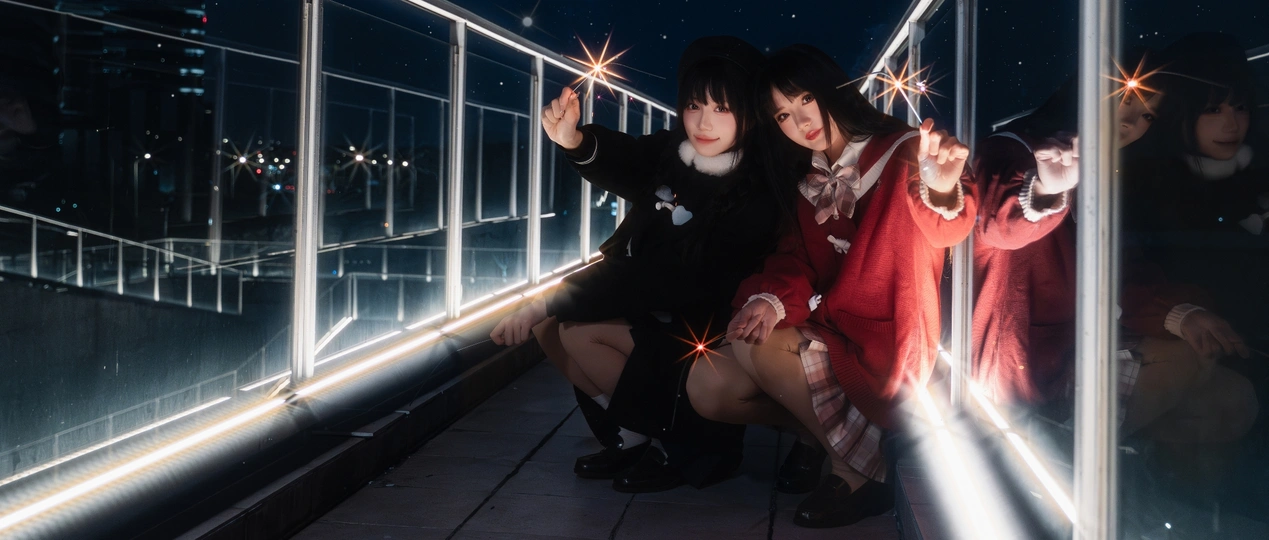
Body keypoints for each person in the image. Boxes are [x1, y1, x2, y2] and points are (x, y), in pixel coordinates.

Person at [687, 44, 975, 528]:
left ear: (833, 88)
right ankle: (842, 443)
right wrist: (771, 300)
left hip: (890, 337)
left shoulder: (906, 150)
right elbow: (795, 257)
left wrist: (943, 188)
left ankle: (856, 474)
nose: (800, 121)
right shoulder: (808, 177)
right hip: (833, 326)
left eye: (805, 99)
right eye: (782, 114)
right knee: (708, 384)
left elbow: (949, 229)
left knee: (759, 350)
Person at [491, 36, 784, 492]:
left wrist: (546, 301)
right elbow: (628, 161)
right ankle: (632, 438)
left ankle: (676, 444)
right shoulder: (678, 152)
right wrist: (574, 140)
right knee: (551, 326)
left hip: (700, 325)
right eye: (694, 105)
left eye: (722, 108)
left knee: (577, 330)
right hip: (655, 306)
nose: (704, 122)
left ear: (750, 112)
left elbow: (667, 276)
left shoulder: (754, 189)